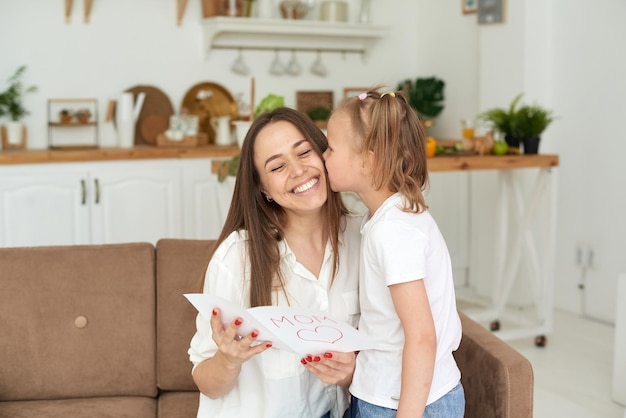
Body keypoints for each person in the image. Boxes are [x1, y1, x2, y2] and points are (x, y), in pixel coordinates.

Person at [188, 107, 362, 418]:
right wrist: (228, 360)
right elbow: (207, 384)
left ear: (326, 154)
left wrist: (351, 372)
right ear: (263, 190)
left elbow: (390, 354)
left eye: (304, 152)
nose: (298, 171)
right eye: (277, 166)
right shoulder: (236, 257)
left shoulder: (363, 239)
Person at [322, 88, 465, 418]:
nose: (323, 156)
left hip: (400, 403)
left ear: (367, 161)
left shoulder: (393, 231)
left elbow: (421, 336)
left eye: (330, 148)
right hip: (391, 392)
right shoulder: (389, 218)